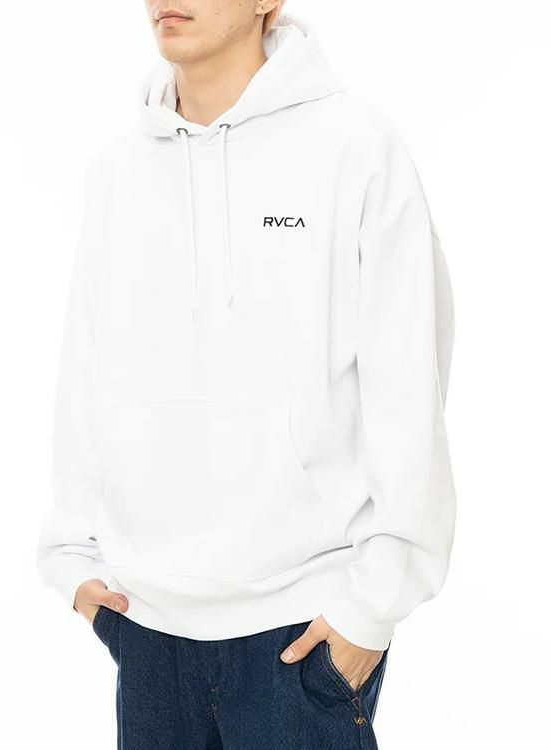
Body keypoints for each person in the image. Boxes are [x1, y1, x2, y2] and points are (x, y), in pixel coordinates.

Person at [36, 2, 456, 747]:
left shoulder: (356, 148)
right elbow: (86, 371)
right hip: (147, 627)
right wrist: (72, 560)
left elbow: (408, 382)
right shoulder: (117, 172)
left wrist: (372, 607)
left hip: (300, 635)